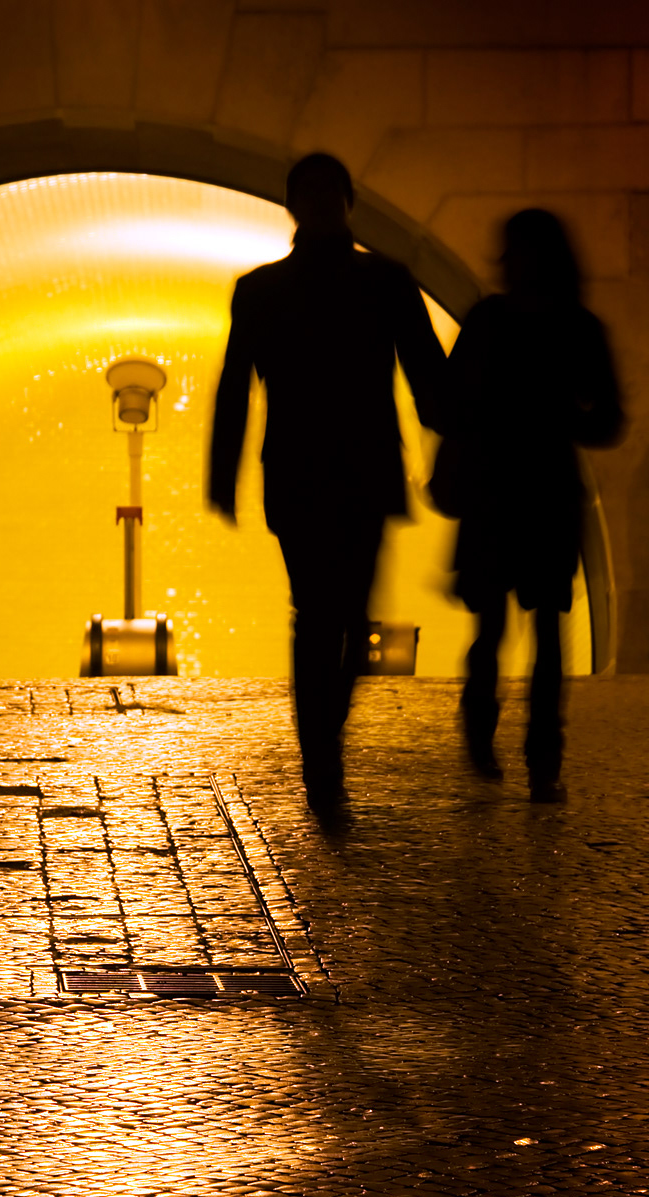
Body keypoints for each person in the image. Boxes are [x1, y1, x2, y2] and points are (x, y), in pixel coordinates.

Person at [208, 151, 448, 819]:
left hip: (299, 470)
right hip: (360, 469)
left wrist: (224, 471)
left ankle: (321, 754)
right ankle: (323, 760)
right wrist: (454, 433)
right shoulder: (386, 282)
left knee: (323, 618)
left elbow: (236, 388)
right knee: (335, 617)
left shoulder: (261, 290)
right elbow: (428, 379)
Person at [439, 209, 623, 802]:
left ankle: (487, 730)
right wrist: (563, 416)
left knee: (497, 625)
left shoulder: (489, 321)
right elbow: (609, 417)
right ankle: (541, 754)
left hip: (499, 492)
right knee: (541, 630)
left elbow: (451, 402)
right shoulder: (578, 326)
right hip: (544, 491)